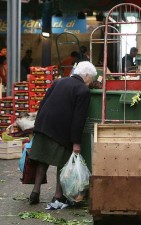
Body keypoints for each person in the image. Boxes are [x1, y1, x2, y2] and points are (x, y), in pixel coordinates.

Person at [28, 61, 97, 206]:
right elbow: (79, 118)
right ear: (86, 76)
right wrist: (76, 142)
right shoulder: (83, 91)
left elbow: (43, 103)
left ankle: (35, 191)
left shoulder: (59, 82)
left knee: (42, 159)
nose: (91, 83)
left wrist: (37, 126)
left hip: (43, 125)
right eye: (91, 79)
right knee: (63, 162)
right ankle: (58, 196)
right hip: (61, 130)